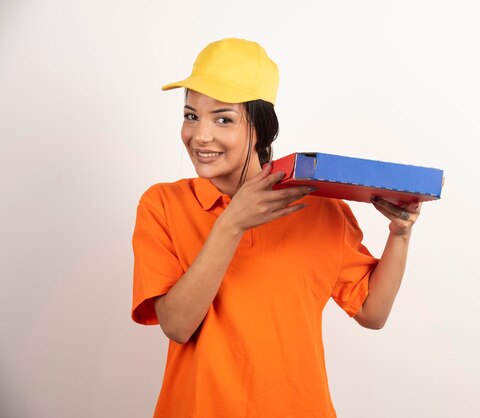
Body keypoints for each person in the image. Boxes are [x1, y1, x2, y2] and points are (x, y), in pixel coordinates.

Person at [132, 38, 422, 418]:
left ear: (262, 128)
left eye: (223, 119)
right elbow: (177, 325)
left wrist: (399, 236)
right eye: (191, 115)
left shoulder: (319, 207)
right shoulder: (163, 205)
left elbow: (372, 312)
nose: (200, 135)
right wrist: (231, 224)